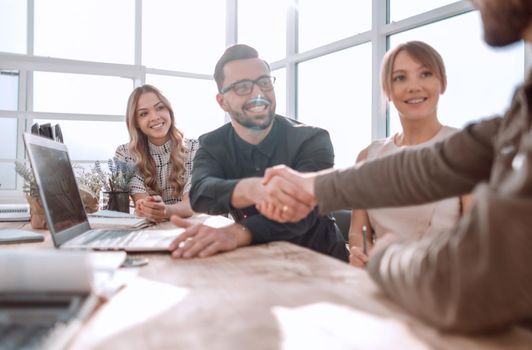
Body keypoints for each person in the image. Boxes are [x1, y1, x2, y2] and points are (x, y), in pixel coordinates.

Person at [257, 0, 532, 333]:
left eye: (425, 74)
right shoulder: (520, 109)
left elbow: (471, 285)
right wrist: (313, 186)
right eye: (400, 78)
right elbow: (436, 164)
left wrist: (387, 256)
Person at [168, 44, 348, 261]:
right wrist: (251, 189)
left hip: (322, 262)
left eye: (264, 82)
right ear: (222, 101)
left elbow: (303, 211)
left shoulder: (312, 139)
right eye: (242, 87)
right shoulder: (212, 143)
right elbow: (200, 193)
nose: (258, 94)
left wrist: (239, 232)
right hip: (255, 261)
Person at [348, 41, 472, 267]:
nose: (414, 86)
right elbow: (359, 230)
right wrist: (361, 252)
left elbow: (479, 237)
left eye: (425, 74)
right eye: (400, 78)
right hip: (380, 281)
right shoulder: (368, 156)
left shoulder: (464, 150)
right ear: (388, 90)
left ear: (442, 82)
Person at [115, 84, 198, 222]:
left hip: (189, 229)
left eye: (160, 108)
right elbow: (143, 205)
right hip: (149, 232)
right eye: (144, 113)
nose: (154, 117)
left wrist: (165, 211)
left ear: (169, 111)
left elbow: (191, 203)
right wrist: (148, 207)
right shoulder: (125, 153)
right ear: (136, 122)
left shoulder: (195, 148)